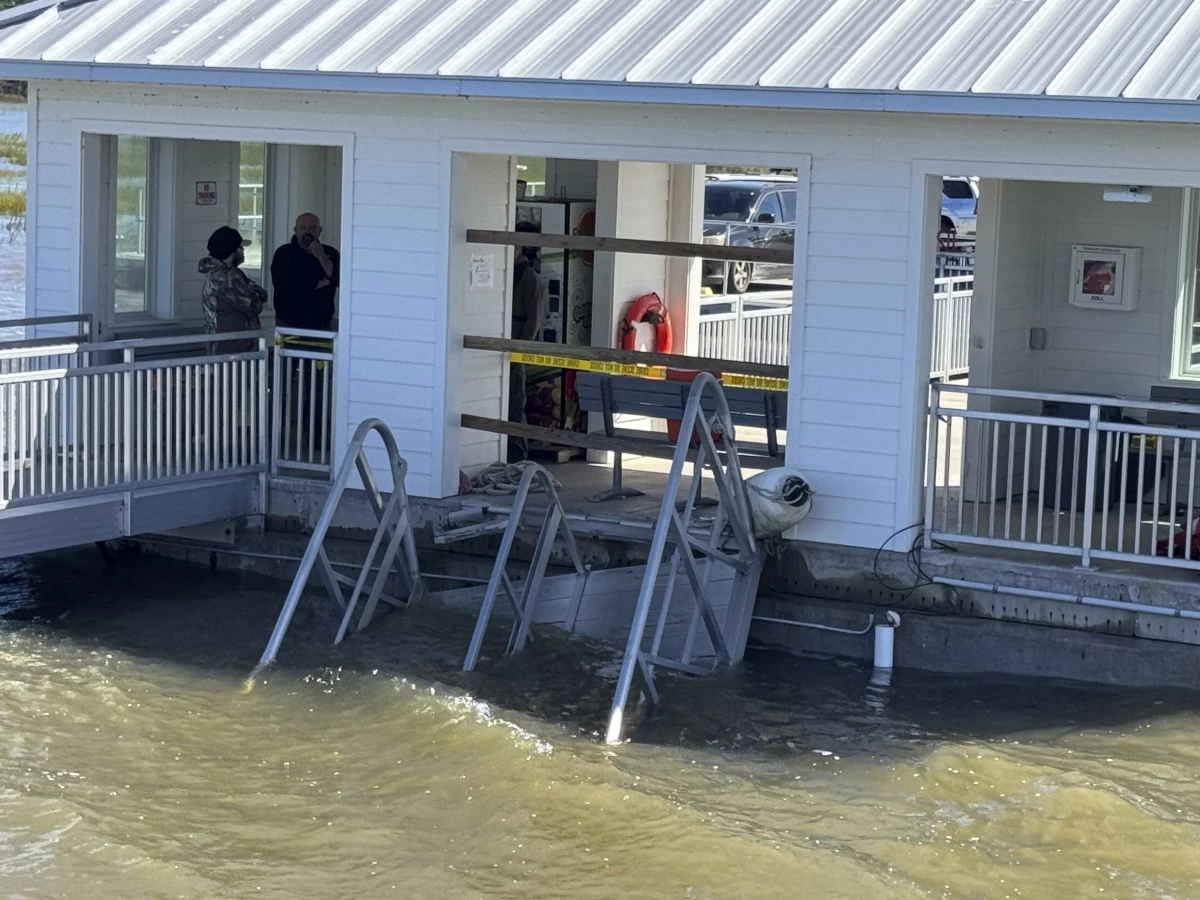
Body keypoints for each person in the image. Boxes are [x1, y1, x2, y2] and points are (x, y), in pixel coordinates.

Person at [507, 222, 544, 461]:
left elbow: (535, 318)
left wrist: (521, 349)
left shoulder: (528, 277)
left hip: (515, 348)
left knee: (514, 404)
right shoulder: (505, 274)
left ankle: (518, 457)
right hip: (500, 344)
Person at [199, 225, 266, 354]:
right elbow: (253, 306)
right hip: (233, 348)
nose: (243, 251)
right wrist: (255, 291)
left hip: (224, 344)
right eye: (241, 247)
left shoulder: (215, 273)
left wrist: (254, 291)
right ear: (232, 252)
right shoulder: (227, 278)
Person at [271, 213, 340, 330]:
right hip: (289, 323)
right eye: (303, 227)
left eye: (313, 228)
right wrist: (321, 283)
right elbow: (287, 286)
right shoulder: (284, 253)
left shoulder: (330, 252)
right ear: (295, 230)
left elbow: (338, 280)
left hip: (322, 323)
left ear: (320, 231)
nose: (308, 231)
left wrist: (322, 256)